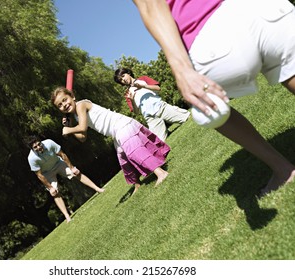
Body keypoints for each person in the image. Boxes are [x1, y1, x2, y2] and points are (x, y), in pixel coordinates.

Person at [133, 0, 295, 197]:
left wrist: (182, 70)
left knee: (205, 103)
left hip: (210, 35)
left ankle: (283, 170)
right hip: (264, 9)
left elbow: (151, 6)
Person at [50, 87, 170, 194]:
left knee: (135, 151)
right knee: (124, 160)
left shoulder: (81, 105)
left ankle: (161, 173)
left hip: (122, 126)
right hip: (116, 132)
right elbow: (82, 137)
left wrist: (68, 130)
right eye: (60, 105)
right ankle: (137, 185)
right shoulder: (76, 116)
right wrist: (71, 127)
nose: (64, 105)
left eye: (65, 100)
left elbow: (82, 128)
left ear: (73, 97)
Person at [26, 135, 104, 222]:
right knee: (55, 193)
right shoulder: (32, 158)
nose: (39, 147)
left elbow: (62, 155)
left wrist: (72, 168)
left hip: (58, 163)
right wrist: (50, 188)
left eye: (39, 144)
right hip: (47, 173)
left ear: (41, 142)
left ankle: (98, 189)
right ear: (32, 149)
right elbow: (39, 175)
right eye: (35, 147)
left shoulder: (49, 143)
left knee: (76, 173)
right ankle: (67, 216)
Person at [114, 67, 190, 141]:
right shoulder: (128, 94)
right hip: (150, 118)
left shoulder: (143, 79)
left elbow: (158, 88)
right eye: (121, 80)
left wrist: (143, 86)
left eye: (123, 76)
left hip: (161, 108)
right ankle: (165, 131)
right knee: (160, 142)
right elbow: (136, 112)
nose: (123, 80)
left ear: (128, 73)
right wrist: (132, 100)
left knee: (186, 117)